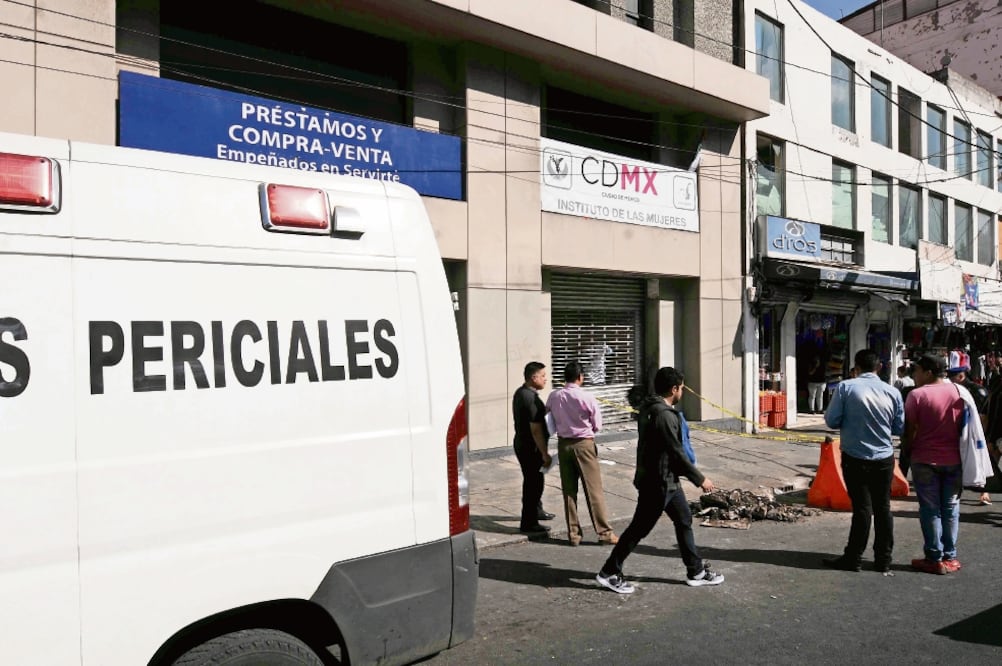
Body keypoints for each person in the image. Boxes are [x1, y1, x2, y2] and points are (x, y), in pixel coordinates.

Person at [595, 367, 724, 593]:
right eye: (682, 388)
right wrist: (700, 478)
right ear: (674, 389)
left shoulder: (651, 408)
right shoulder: (664, 415)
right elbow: (676, 452)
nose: (682, 391)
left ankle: (696, 571)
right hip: (659, 483)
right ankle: (609, 572)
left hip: (667, 480)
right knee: (639, 528)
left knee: (684, 519)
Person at [821, 349, 904, 573]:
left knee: (862, 509)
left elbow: (831, 420)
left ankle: (854, 557)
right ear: (878, 368)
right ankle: (883, 559)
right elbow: (898, 427)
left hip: (855, 457)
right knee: (883, 508)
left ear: (856, 367)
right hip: (884, 458)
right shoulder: (892, 392)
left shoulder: (846, 387)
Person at [902, 353, 967, 574]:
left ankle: (934, 557)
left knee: (930, 509)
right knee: (950, 509)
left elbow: (910, 430)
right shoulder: (959, 392)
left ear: (928, 372)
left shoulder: (916, 395)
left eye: (917, 370)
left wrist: (906, 454)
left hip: (924, 459)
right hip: (954, 459)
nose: (914, 375)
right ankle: (950, 557)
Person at [545, 361, 618, 546]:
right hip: (583, 444)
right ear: (580, 377)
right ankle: (604, 533)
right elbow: (597, 425)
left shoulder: (554, 396)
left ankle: (574, 534)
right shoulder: (587, 397)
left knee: (569, 491)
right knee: (593, 491)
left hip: (563, 445)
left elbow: (548, 417)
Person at [512, 361, 555, 534]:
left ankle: (537, 510)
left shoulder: (524, 392)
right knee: (533, 483)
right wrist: (545, 453)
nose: (546, 379)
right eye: (543, 376)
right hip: (530, 447)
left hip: (525, 444)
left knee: (536, 480)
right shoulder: (528, 397)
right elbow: (536, 429)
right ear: (533, 377)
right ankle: (528, 522)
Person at [947, 365, 992, 505]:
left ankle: (984, 492)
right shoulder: (959, 390)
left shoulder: (975, 390)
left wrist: (983, 434)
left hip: (976, 432)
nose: (949, 380)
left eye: (952, 377)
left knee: (982, 462)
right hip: (968, 431)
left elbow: (984, 414)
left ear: (961, 376)